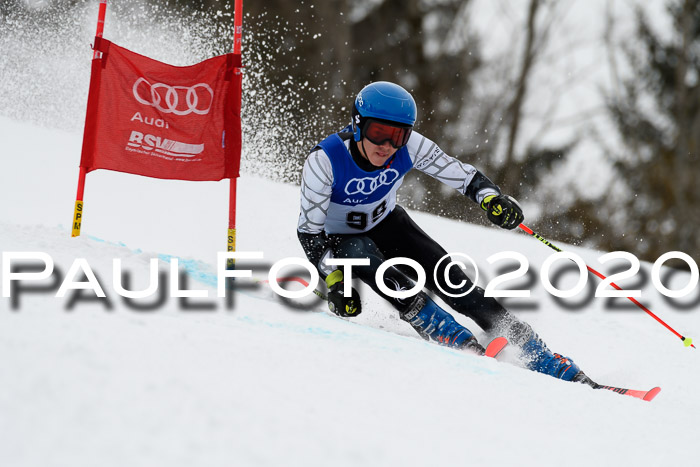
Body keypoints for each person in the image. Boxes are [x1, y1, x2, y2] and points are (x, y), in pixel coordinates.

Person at [297, 81, 595, 385]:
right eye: (378, 133)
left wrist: (491, 199)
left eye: (397, 135)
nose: (386, 145)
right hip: (342, 243)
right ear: (358, 125)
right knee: (362, 252)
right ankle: (443, 328)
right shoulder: (324, 161)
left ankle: (537, 352)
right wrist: (336, 281)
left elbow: (462, 175)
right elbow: (309, 232)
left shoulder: (409, 148)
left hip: (388, 224)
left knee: (454, 283)